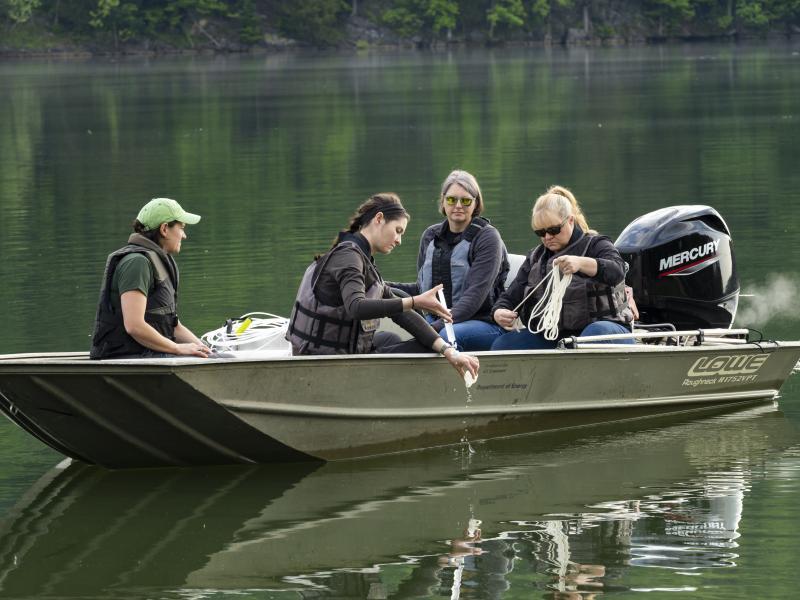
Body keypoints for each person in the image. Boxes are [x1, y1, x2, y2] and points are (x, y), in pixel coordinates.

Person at [286, 192, 479, 380]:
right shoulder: (349, 257)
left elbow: (401, 313)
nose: (399, 240)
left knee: (389, 338)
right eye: (398, 231)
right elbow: (356, 307)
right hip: (323, 360)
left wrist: (447, 350)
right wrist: (413, 301)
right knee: (423, 348)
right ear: (379, 219)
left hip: (332, 350)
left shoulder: (360, 256)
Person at [491, 185, 633, 350]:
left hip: (609, 329)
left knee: (592, 336)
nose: (548, 237)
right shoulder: (535, 258)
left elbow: (617, 270)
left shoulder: (597, 244)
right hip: (555, 335)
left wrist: (581, 263)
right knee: (503, 344)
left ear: (570, 220)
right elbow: (509, 298)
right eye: (541, 233)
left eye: (554, 230)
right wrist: (498, 312)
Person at [390, 170, 509, 351]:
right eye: (452, 200)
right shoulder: (430, 236)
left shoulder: (487, 237)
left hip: (484, 323)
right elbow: (422, 290)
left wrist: (430, 330)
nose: (458, 205)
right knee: (395, 332)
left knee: (443, 337)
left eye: (466, 200)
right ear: (443, 201)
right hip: (438, 321)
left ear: (476, 203)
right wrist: (381, 287)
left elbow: (473, 299)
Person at [90, 197, 211, 359]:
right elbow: (134, 326)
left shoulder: (157, 261)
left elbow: (173, 326)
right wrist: (177, 348)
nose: (184, 236)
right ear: (164, 229)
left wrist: (206, 350)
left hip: (149, 355)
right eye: (181, 228)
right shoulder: (136, 263)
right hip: (125, 358)